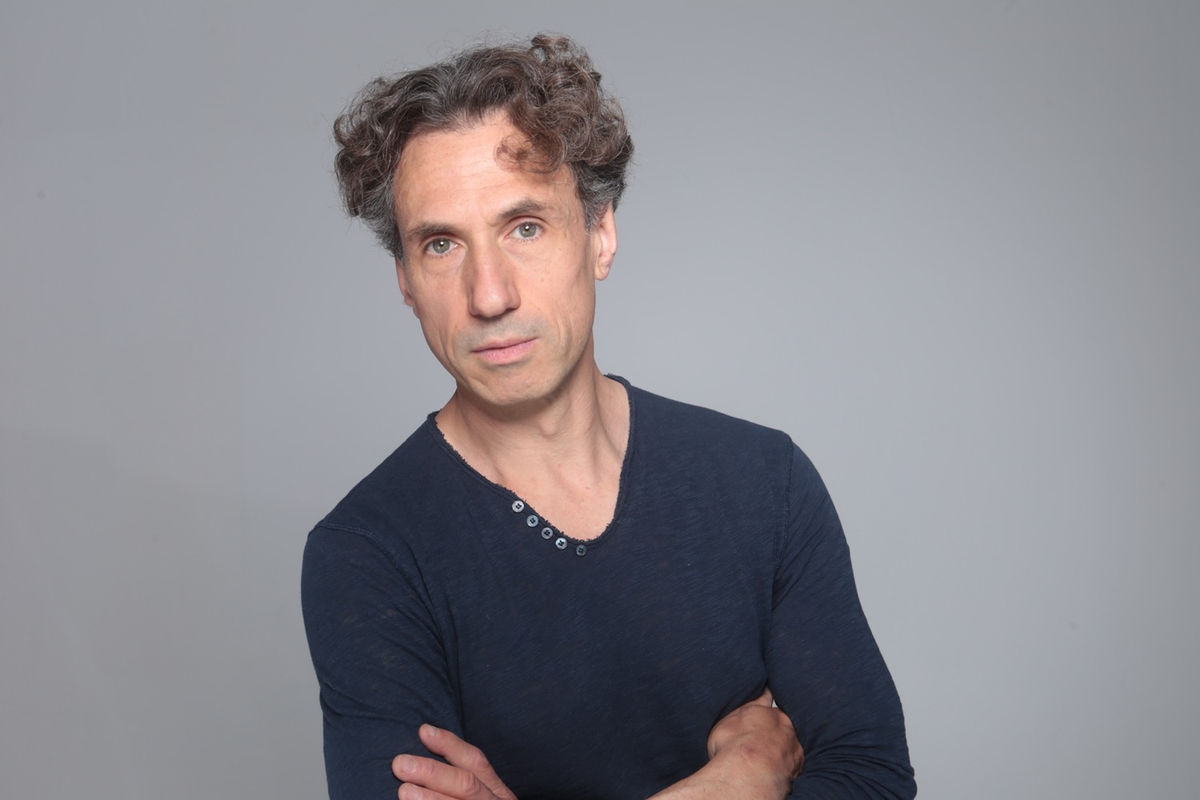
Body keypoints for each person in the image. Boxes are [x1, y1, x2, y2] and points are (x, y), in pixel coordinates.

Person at [301, 34, 915, 800]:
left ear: (600, 234)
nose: (489, 295)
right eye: (442, 244)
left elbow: (873, 779)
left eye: (525, 227)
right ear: (405, 281)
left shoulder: (764, 483)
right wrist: (738, 779)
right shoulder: (367, 556)